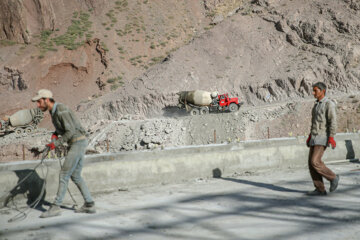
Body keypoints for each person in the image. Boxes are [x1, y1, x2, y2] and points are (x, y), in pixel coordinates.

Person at [32, 89, 95, 217]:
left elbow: (70, 131)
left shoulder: (60, 110)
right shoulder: (53, 111)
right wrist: (55, 135)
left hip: (77, 142)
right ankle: (89, 204)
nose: (38, 105)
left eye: (39, 102)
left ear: (47, 100)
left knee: (64, 174)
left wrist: (55, 144)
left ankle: (55, 207)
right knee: (76, 175)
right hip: (78, 142)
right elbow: (62, 129)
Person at [306, 82, 339, 196]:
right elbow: (314, 123)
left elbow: (332, 121)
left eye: (315, 90)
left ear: (323, 91)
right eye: (313, 90)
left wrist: (331, 137)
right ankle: (320, 189)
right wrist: (310, 136)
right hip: (314, 137)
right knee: (311, 165)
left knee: (315, 161)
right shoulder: (316, 105)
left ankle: (333, 177)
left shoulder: (328, 104)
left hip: (322, 137)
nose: (313, 93)